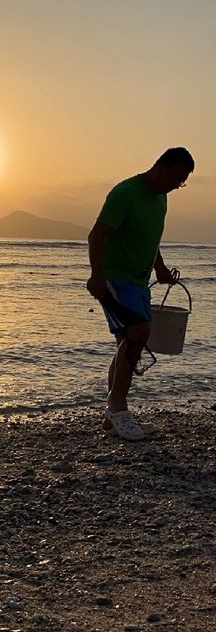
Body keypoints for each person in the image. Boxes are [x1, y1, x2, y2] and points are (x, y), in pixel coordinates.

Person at [87, 147, 194, 441]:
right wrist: (97, 275)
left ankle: (112, 419)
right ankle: (118, 409)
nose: (176, 186)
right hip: (114, 279)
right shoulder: (125, 193)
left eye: (181, 183)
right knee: (139, 332)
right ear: (159, 167)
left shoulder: (161, 199)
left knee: (127, 342)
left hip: (138, 282)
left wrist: (159, 269)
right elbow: (97, 234)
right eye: (175, 179)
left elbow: (151, 238)